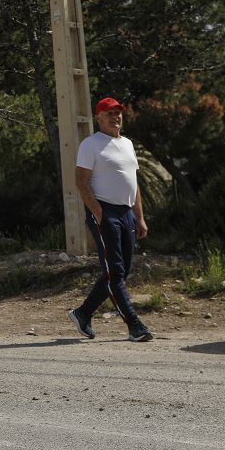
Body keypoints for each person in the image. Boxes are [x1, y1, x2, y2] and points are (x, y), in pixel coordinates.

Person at [68, 97, 153, 343]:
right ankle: (134, 325)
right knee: (114, 271)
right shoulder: (90, 144)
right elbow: (81, 182)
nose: (115, 117)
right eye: (109, 113)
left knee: (120, 271)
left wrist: (140, 217)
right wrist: (98, 212)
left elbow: (134, 185)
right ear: (99, 118)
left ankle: (82, 314)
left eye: (118, 113)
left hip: (126, 212)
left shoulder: (127, 144)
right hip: (105, 212)